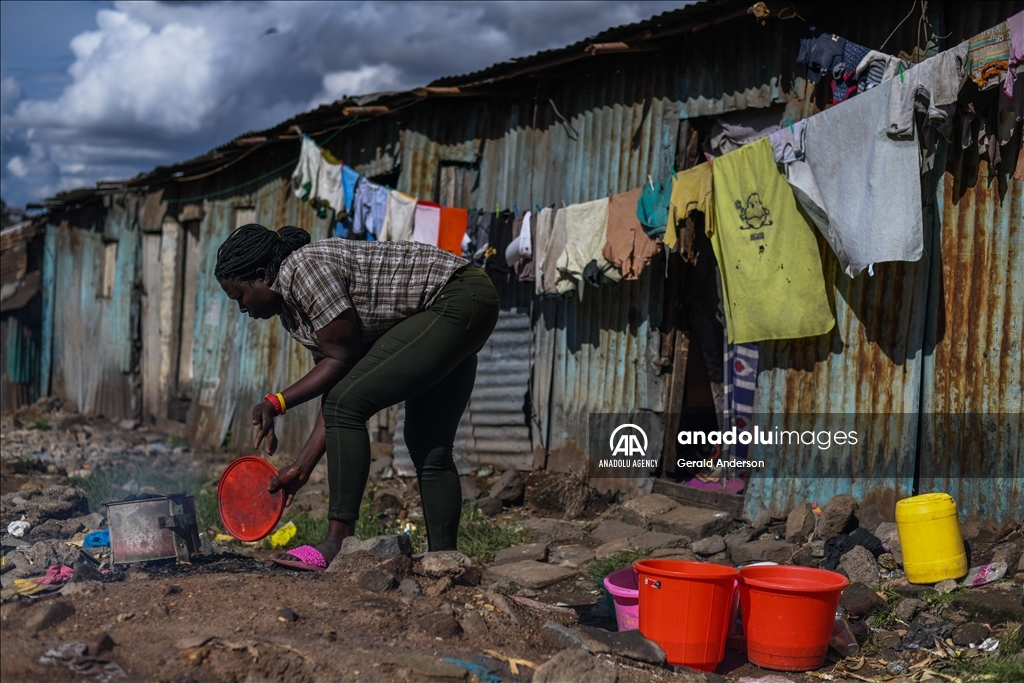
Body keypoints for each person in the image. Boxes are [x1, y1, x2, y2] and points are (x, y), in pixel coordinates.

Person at [214, 224, 499, 571]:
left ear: (261, 276)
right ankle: (445, 562)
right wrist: (303, 466)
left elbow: (343, 360)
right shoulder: (293, 311)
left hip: (455, 297)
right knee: (428, 444)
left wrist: (276, 402)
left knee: (349, 406)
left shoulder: (303, 269)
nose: (242, 309)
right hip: (462, 302)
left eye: (240, 296)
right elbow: (338, 382)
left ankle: (337, 541)